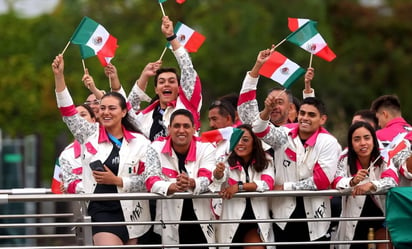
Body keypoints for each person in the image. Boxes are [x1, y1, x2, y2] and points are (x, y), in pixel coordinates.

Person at [238, 48, 342, 249]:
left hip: (316, 221)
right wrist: (257, 68)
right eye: (303, 113)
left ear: (290, 109)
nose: (304, 118)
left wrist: (284, 187)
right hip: (278, 215)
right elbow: (256, 125)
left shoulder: (327, 141)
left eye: (281, 103)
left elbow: (321, 181)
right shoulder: (281, 135)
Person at [52, 54, 151, 246]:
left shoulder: (140, 141)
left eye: (112, 108)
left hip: (136, 215)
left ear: (124, 112)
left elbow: (151, 180)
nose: (106, 112)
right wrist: (59, 76)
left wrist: (118, 181)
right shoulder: (89, 134)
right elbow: (68, 112)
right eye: (102, 108)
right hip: (102, 212)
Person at [144, 109, 216, 248]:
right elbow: (150, 179)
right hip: (168, 222)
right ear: (169, 128)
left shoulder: (206, 147)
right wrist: (173, 187)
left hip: (201, 221)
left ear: (194, 129)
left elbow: (209, 179)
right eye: (176, 126)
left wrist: (191, 182)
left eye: (186, 126)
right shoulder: (155, 147)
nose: (181, 130)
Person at [128, 15, 202, 141]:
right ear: (156, 89)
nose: (166, 84)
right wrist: (144, 75)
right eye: (161, 82)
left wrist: (171, 37)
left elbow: (187, 69)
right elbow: (128, 109)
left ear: (179, 88)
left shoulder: (186, 105)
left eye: (172, 81)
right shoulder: (146, 116)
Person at [333, 121, 399, 249]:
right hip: (353, 222)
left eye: (367, 138)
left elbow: (392, 180)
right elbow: (337, 181)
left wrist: (370, 185)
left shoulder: (384, 158)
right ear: (351, 144)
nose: (363, 143)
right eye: (357, 139)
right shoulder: (345, 160)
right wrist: (353, 181)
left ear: (374, 140)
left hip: (382, 220)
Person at [213, 124, 275, 249]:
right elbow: (217, 181)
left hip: (256, 223)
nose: (240, 143)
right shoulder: (225, 159)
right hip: (230, 223)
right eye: (237, 139)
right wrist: (218, 173)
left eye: (245, 139)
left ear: (255, 141)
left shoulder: (266, 160)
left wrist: (239, 187)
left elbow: (267, 184)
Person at [59, 104, 96, 194]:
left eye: (83, 115)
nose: (78, 120)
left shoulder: (110, 143)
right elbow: (59, 187)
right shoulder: (66, 154)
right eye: (75, 117)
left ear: (94, 120)